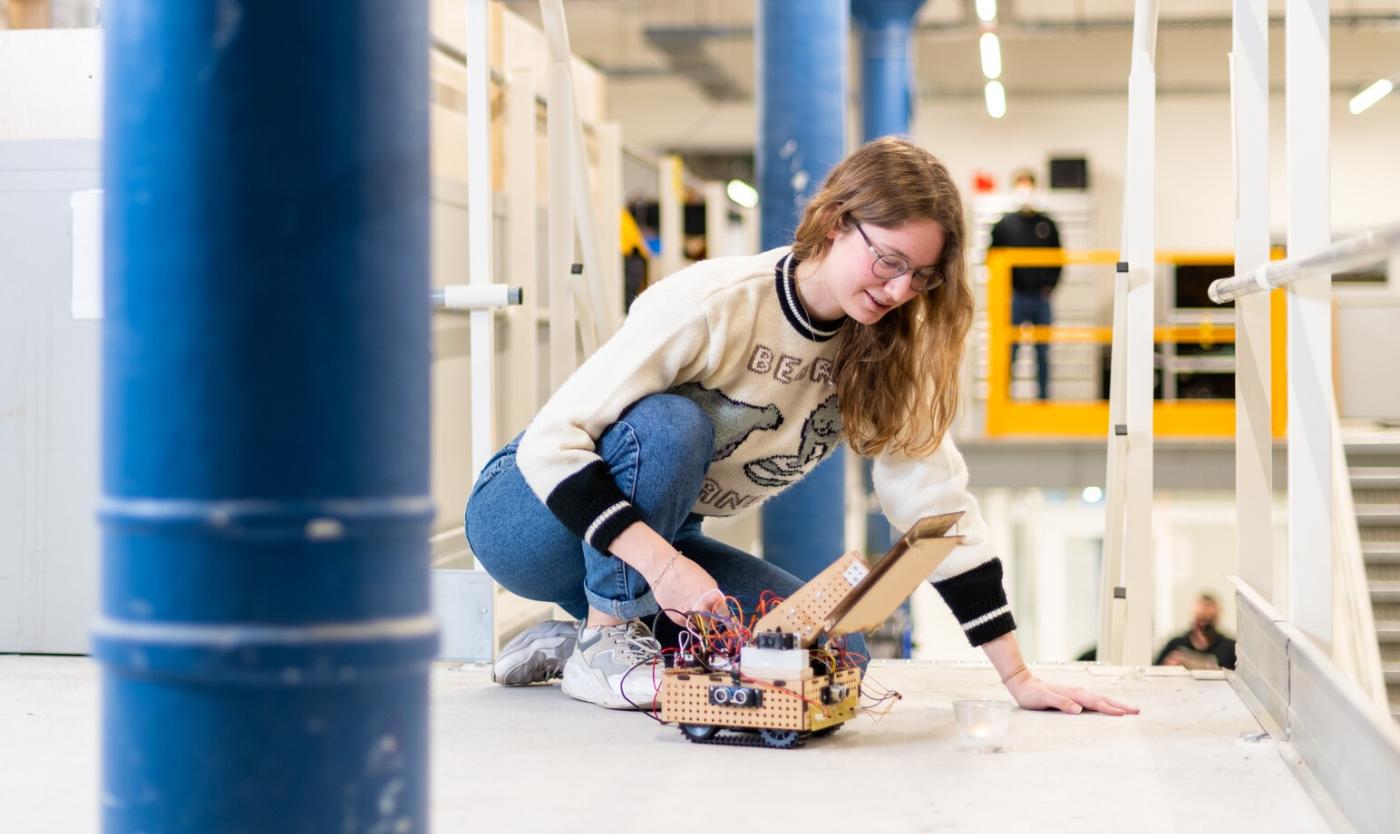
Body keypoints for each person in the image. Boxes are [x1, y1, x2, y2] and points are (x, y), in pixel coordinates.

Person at [466, 137, 1136, 719]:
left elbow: (936, 509)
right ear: (838, 222)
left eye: (922, 277)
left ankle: (580, 633)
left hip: (654, 541)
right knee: (671, 424)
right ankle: (609, 634)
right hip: (527, 516)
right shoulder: (714, 302)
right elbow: (554, 440)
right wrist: (665, 568)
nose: (901, 291)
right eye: (889, 261)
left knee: (825, 655)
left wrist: (1017, 677)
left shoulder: (883, 351)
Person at [989, 170, 1062, 401]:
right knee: (1009, 351)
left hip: (1041, 298)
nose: (1025, 191)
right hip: (1015, 298)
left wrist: (1050, 285)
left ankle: (1043, 401)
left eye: (1028, 185)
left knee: (1043, 352)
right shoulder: (1004, 225)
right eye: (1021, 185)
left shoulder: (1047, 224)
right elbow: (991, 257)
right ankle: (1004, 401)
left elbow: (1059, 258)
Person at [1155, 594, 1237, 670]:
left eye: (1208, 619)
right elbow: (1154, 674)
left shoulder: (1230, 648)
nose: (1204, 626)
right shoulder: (1176, 644)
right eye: (1201, 618)